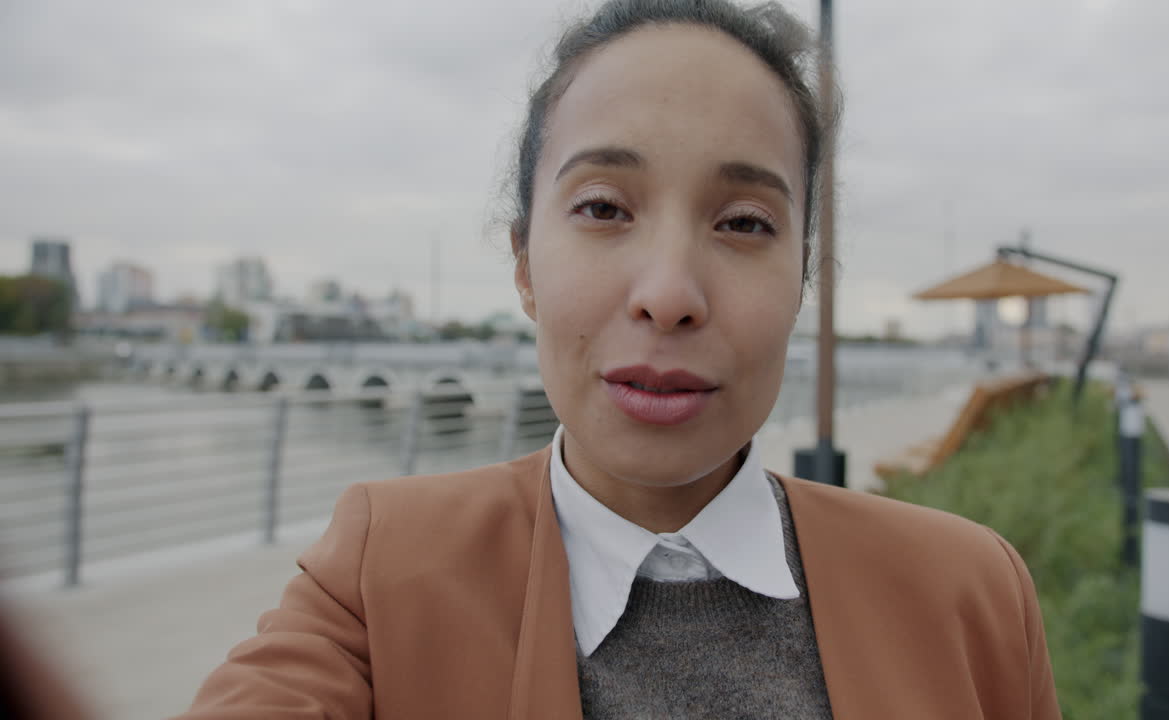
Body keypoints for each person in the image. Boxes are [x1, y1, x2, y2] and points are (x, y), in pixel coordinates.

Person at [179, 0, 1060, 717]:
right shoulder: (378, 580)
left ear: (805, 280)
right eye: (604, 208)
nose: (669, 292)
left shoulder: (971, 595)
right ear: (524, 264)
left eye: (745, 222)